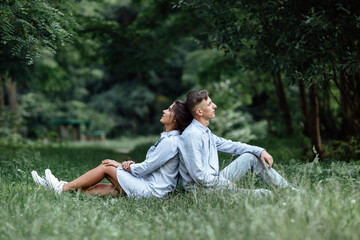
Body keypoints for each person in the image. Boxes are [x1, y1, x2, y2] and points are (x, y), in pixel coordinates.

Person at [31, 100, 193, 198]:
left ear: (176, 119)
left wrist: (119, 165)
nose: (165, 110)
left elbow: (146, 169)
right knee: (105, 189)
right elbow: (152, 166)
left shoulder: (170, 142)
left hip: (152, 192)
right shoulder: (169, 139)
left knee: (106, 167)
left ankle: (61, 187)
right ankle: (57, 188)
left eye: (170, 110)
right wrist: (130, 165)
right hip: (150, 186)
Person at [178, 90, 298, 194]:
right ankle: (282, 196)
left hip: (215, 182)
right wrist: (227, 184)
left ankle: (289, 191)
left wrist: (260, 151)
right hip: (202, 192)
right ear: (199, 112)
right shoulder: (192, 136)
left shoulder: (205, 132)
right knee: (264, 194)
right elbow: (199, 176)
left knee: (250, 157)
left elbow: (233, 146)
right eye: (209, 104)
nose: (215, 106)